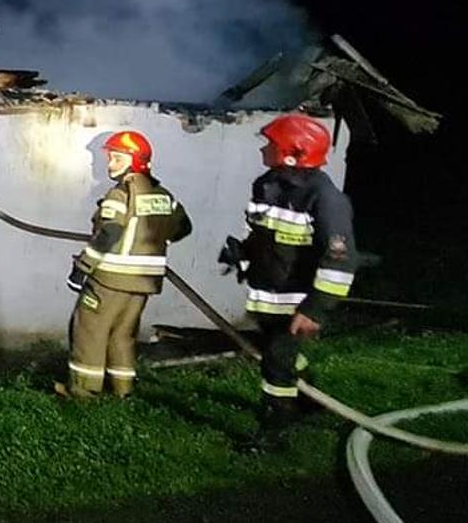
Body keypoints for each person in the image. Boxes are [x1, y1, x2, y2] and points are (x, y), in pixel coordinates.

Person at [223, 114, 358, 452]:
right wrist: (241, 252)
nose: (264, 148)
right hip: (268, 297)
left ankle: (273, 429)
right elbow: (261, 233)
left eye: (271, 144)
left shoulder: (326, 199)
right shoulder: (268, 184)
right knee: (281, 355)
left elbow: (340, 261)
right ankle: (310, 401)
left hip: (297, 301)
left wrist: (315, 309)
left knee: (277, 365)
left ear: (292, 153)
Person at [58, 130, 191, 398]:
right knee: (123, 334)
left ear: (136, 161)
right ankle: (123, 391)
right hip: (145, 282)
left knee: (89, 330)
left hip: (110, 279)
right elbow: (183, 228)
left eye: (118, 159)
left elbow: (110, 233)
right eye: (111, 158)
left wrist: (82, 268)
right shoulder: (164, 196)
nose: (110, 165)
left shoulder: (120, 194)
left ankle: (83, 393)